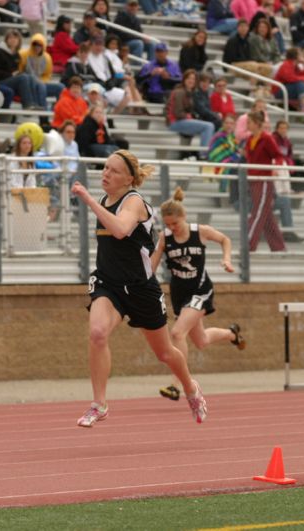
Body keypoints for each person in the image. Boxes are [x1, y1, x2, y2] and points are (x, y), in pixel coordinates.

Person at [70, 150, 207, 427]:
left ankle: (191, 388)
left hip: (140, 287)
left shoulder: (134, 202)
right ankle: (99, 404)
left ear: (129, 179)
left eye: (114, 171)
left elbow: (121, 229)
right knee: (97, 333)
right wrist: (94, 202)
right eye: (105, 168)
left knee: (165, 352)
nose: (106, 174)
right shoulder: (104, 200)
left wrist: (86, 200)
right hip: (108, 283)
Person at [150, 187, 245, 401]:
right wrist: (144, 281)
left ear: (183, 217)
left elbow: (225, 240)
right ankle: (232, 334)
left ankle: (178, 384)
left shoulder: (199, 231)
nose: (172, 228)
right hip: (179, 293)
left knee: (176, 333)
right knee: (201, 341)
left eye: (175, 223)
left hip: (200, 289)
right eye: (168, 224)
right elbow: (153, 264)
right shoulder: (164, 238)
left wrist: (226, 259)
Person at [245, 110, 285, 252]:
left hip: (264, 181)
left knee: (258, 212)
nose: (247, 125)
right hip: (253, 180)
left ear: (257, 124)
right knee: (266, 216)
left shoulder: (267, 138)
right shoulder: (249, 139)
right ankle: (279, 247)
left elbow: (278, 156)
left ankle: (248, 244)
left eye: (249, 122)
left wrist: (275, 167)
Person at [166, 69, 215, 152]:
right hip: (175, 122)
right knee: (209, 126)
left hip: (182, 121)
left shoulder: (190, 92)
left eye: (193, 79)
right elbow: (177, 113)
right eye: (189, 78)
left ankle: (203, 152)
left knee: (208, 127)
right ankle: (203, 155)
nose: (191, 81)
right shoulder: (179, 92)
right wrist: (188, 116)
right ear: (184, 79)